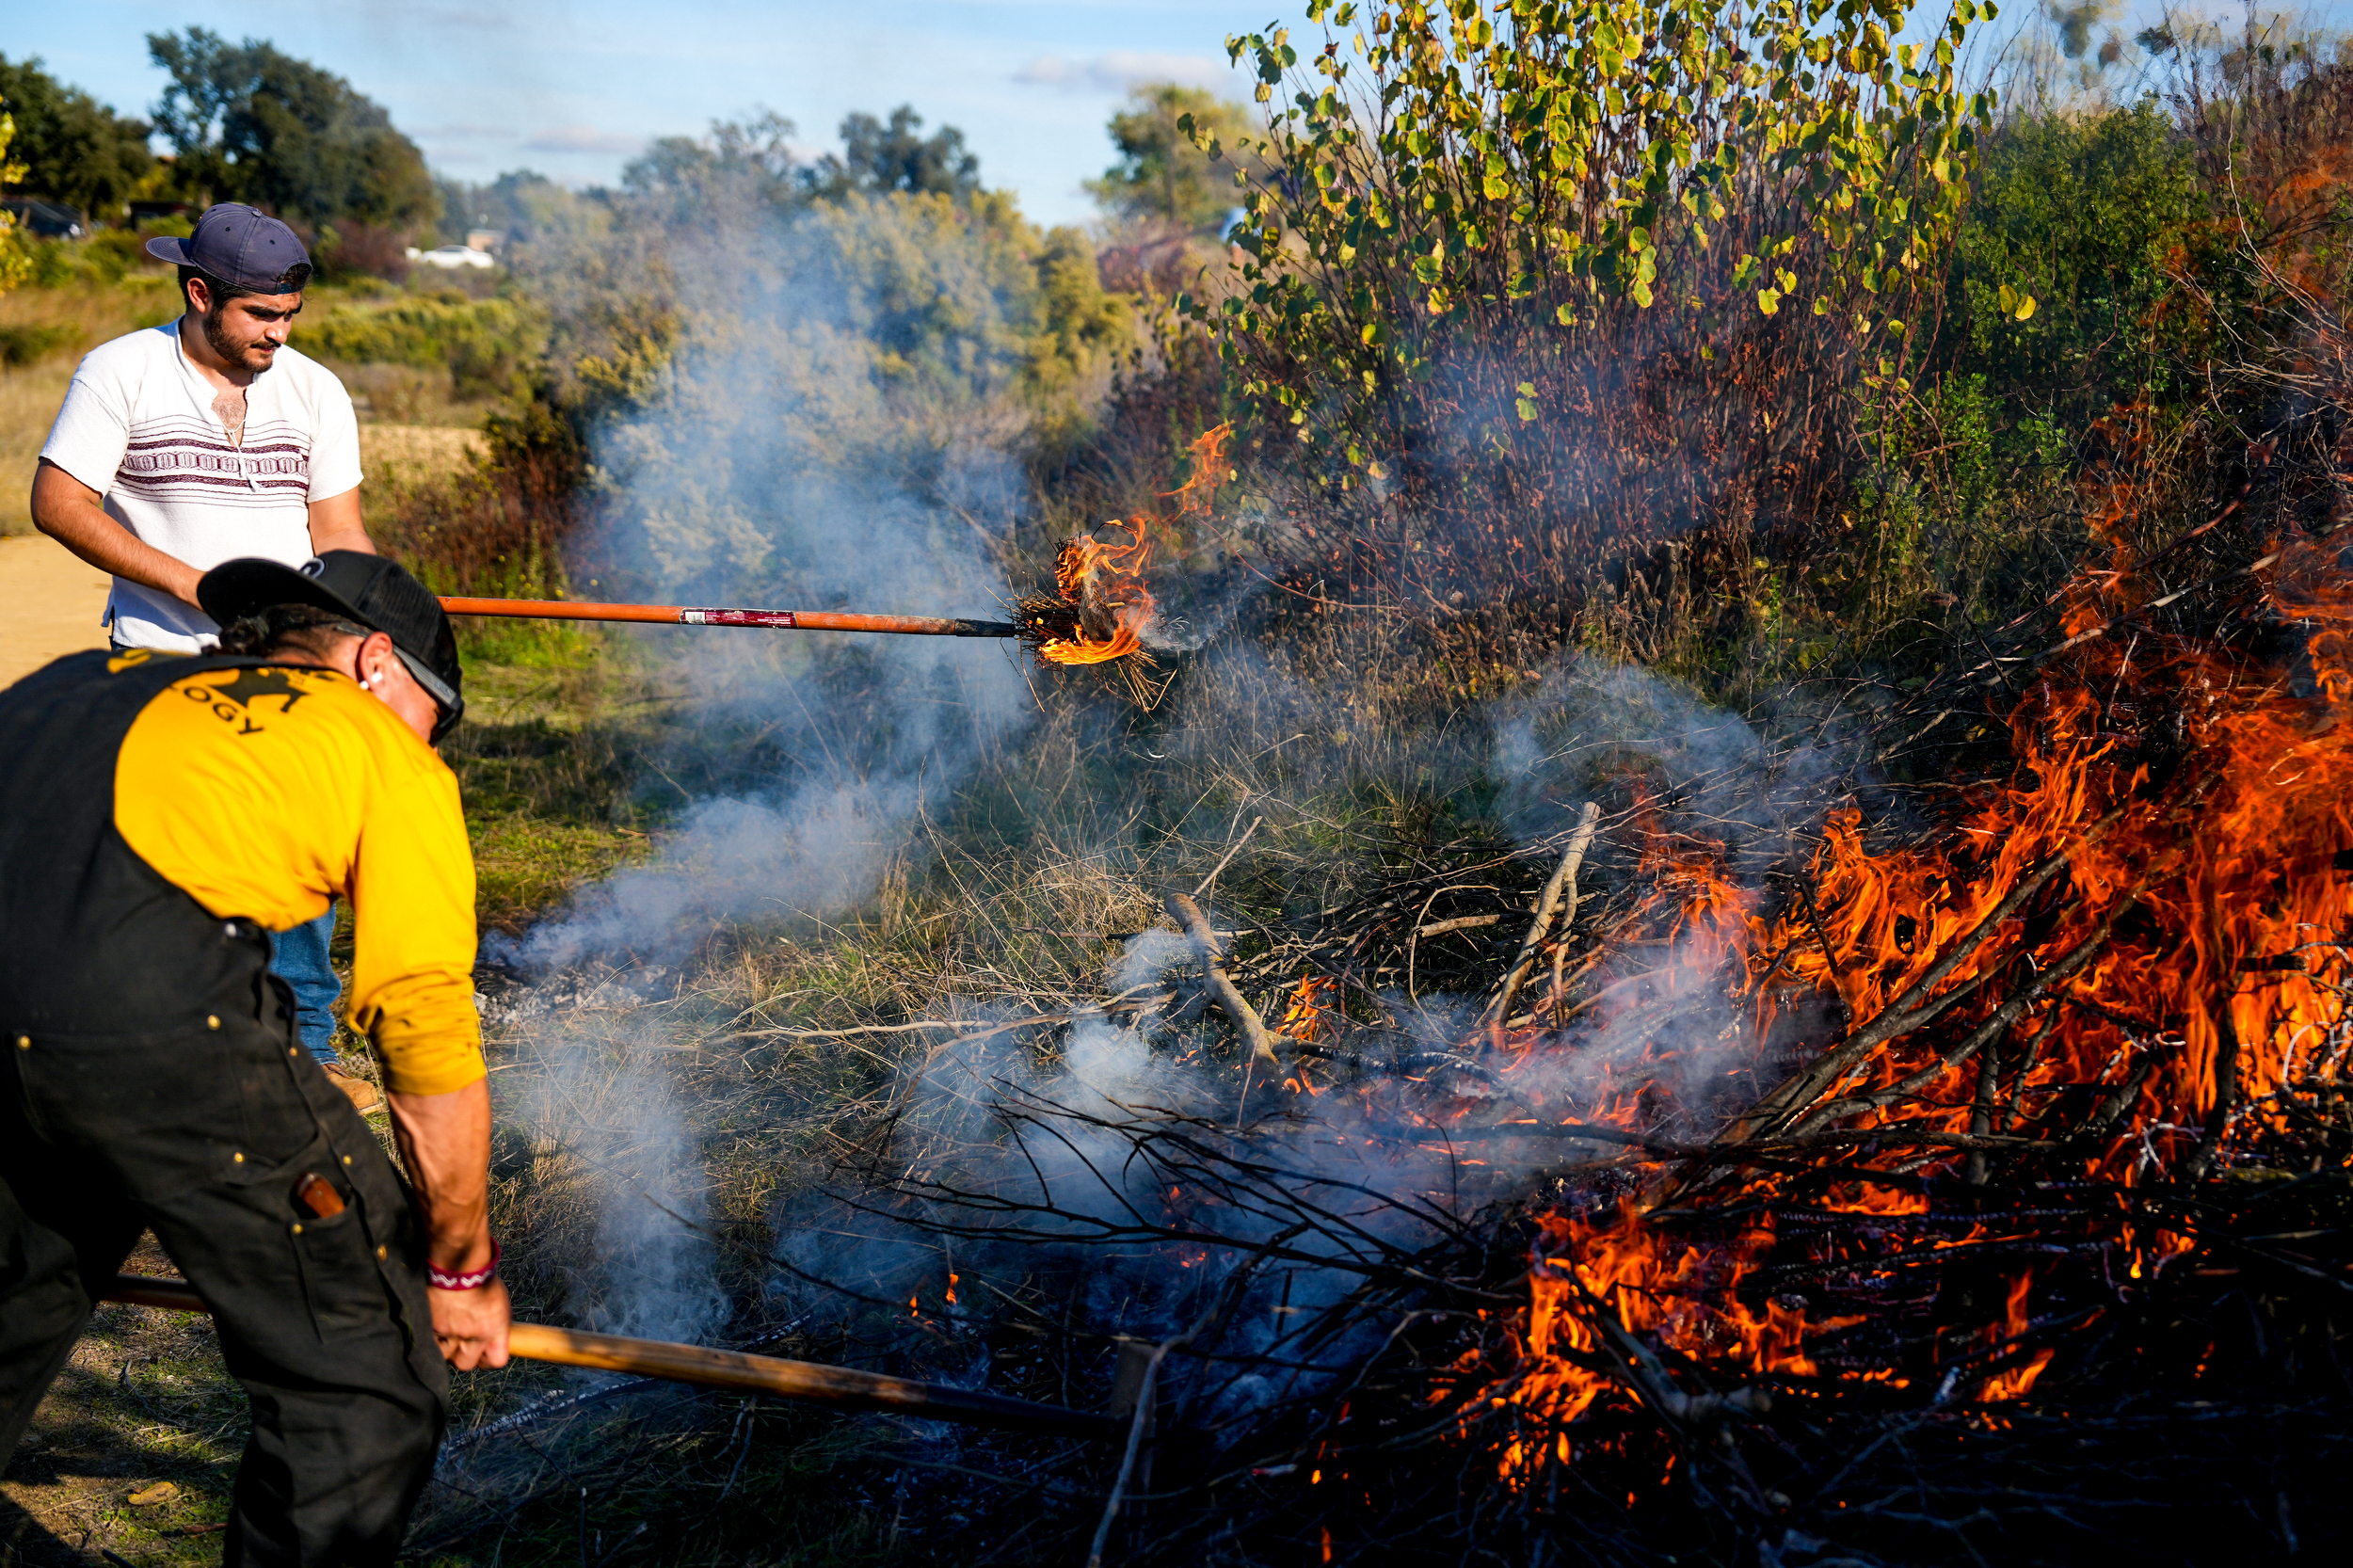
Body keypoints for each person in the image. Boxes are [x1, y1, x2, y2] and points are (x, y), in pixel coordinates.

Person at [0, 552, 507, 1566]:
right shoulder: (377, 744)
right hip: (146, 1011)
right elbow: (421, 1024)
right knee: (363, 1384)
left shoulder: (75, 684)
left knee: (20, 1291)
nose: (429, 742)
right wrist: (459, 1265)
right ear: (374, 663)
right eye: (431, 713)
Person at [30, 202, 380, 1108]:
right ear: (200, 293)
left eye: (290, 314)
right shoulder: (122, 372)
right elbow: (59, 504)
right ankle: (146, 1048)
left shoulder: (315, 392)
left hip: (288, 663)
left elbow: (339, 530)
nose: (280, 332)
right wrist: (194, 586)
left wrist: (364, 618)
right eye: (262, 315)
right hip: (153, 660)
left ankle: (306, 1046)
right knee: (160, 860)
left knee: (299, 847)